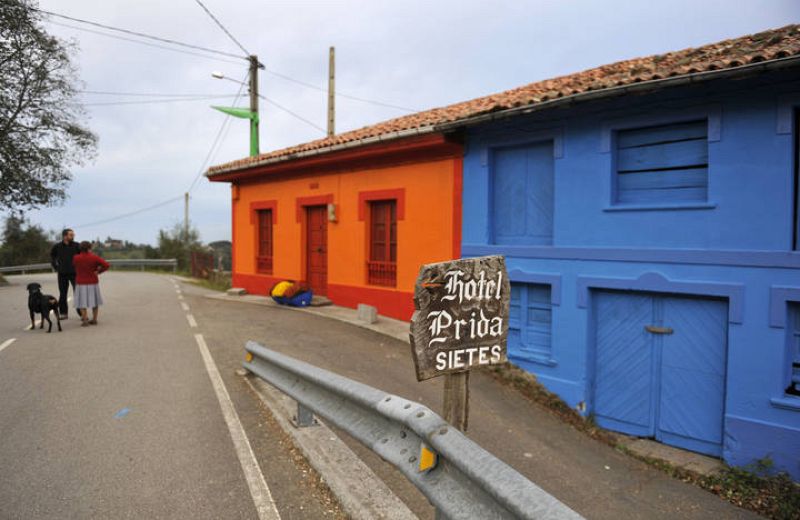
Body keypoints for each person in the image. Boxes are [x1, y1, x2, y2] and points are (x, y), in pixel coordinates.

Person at [72, 241, 110, 327]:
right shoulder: (94, 257)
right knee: (95, 302)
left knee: (82, 303)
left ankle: (85, 320)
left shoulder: (76, 258)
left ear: (80, 248)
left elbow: (74, 266)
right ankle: (94, 319)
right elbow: (106, 265)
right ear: (90, 248)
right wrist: (98, 271)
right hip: (93, 282)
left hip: (81, 282)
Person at [50, 228, 80, 320]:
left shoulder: (77, 245)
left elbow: (82, 257)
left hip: (75, 273)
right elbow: (52, 257)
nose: (73, 236)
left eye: (73, 234)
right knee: (63, 294)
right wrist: (56, 267)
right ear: (65, 236)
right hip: (62, 273)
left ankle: (82, 313)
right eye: (71, 235)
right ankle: (63, 313)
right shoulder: (57, 246)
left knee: (78, 293)